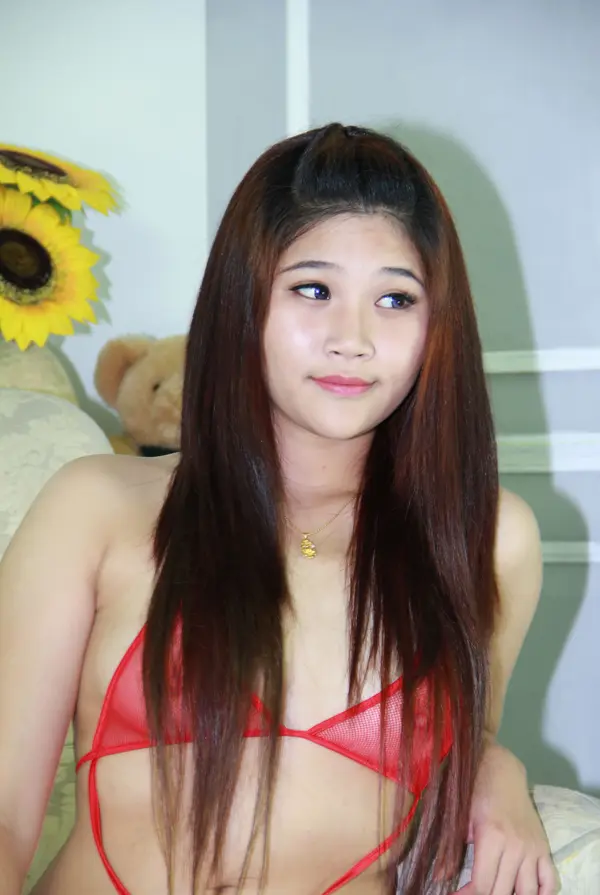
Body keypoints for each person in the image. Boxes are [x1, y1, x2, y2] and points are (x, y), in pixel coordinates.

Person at [0, 124, 558, 895]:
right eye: (314, 289)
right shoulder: (96, 505)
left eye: (396, 298)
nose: (352, 339)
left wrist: (497, 768)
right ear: (245, 298)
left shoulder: (488, 539)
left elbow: (464, 732)